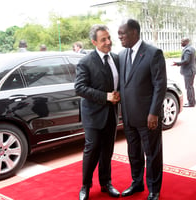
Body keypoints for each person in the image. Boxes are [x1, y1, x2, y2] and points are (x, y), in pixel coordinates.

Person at [118, 19, 167, 200]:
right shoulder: (122, 55)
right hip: (129, 115)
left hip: (148, 116)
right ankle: (137, 183)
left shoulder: (153, 53)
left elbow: (159, 85)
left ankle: (154, 189)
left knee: (152, 154)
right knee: (133, 152)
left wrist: (154, 112)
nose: (119, 36)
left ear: (134, 32)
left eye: (122, 33)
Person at [75, 24, 120, 200]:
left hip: (112, 114)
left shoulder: (116, 58)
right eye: (103, 40)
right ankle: (85, 185)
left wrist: (119, 95)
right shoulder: (85, 61)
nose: (108, 42)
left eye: (109, 38)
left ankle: (106, 183)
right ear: (94, 42)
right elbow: (79, 88)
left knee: (107, 151)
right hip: (93, 115)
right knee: (92, 149)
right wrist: (106, 96)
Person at [172, 38, 196, 107]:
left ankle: (191, 103)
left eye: (182, 41)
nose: (181, 43)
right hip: (191, 71)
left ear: (186, 42)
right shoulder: (192, 48)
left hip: (189, 71)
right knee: (190, 87)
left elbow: (186, 61)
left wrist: (177, 63)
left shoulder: (188, 50)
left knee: (188, 87)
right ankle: (192, 102)